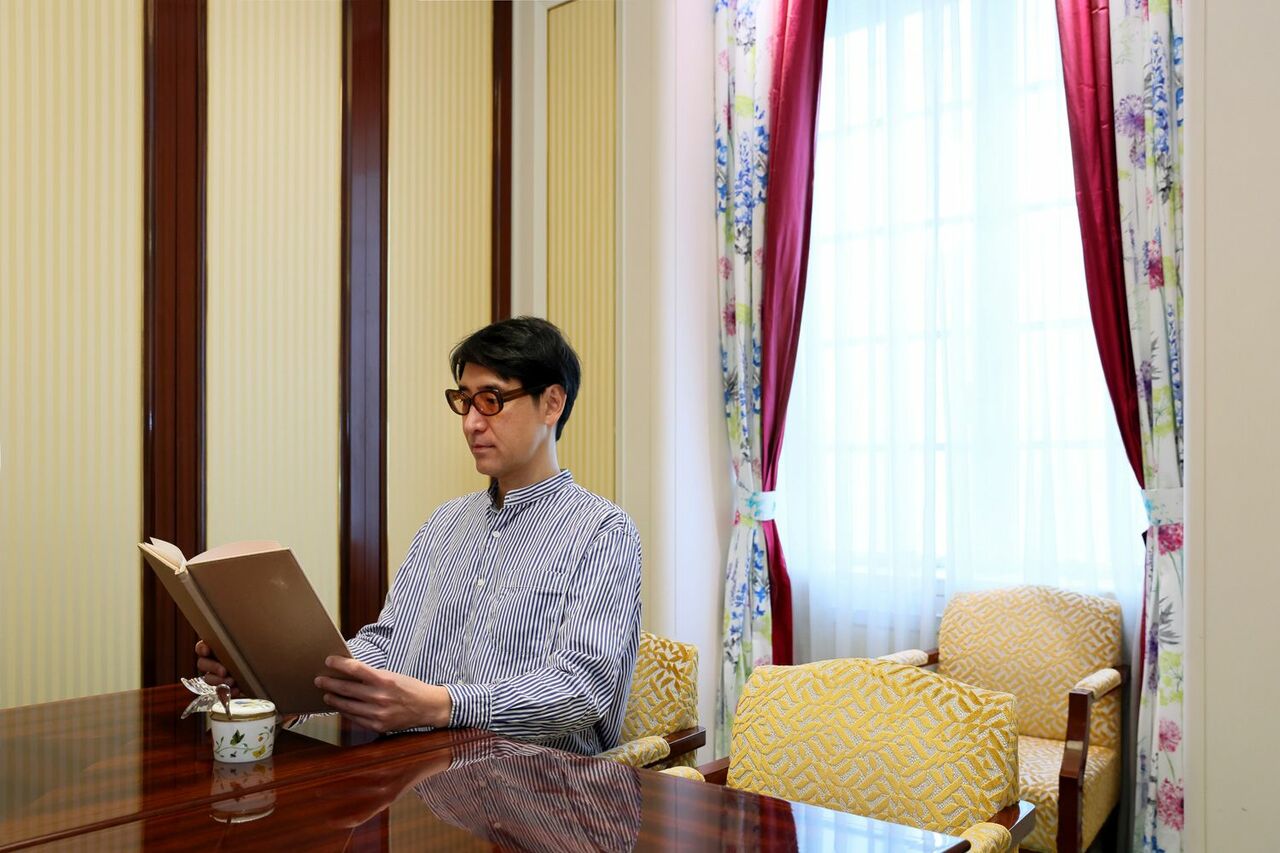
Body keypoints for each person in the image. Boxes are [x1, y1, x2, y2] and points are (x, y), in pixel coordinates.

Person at [197, 317, 643, 755]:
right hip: (418, 770)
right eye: (464, 401)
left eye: (490, 400)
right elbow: (388, 644)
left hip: (538, 782)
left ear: (552, 404)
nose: (471, 423)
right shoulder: (445, 522)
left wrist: (442, 706)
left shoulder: (603, 531)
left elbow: (582, 689)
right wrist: (274, 676)